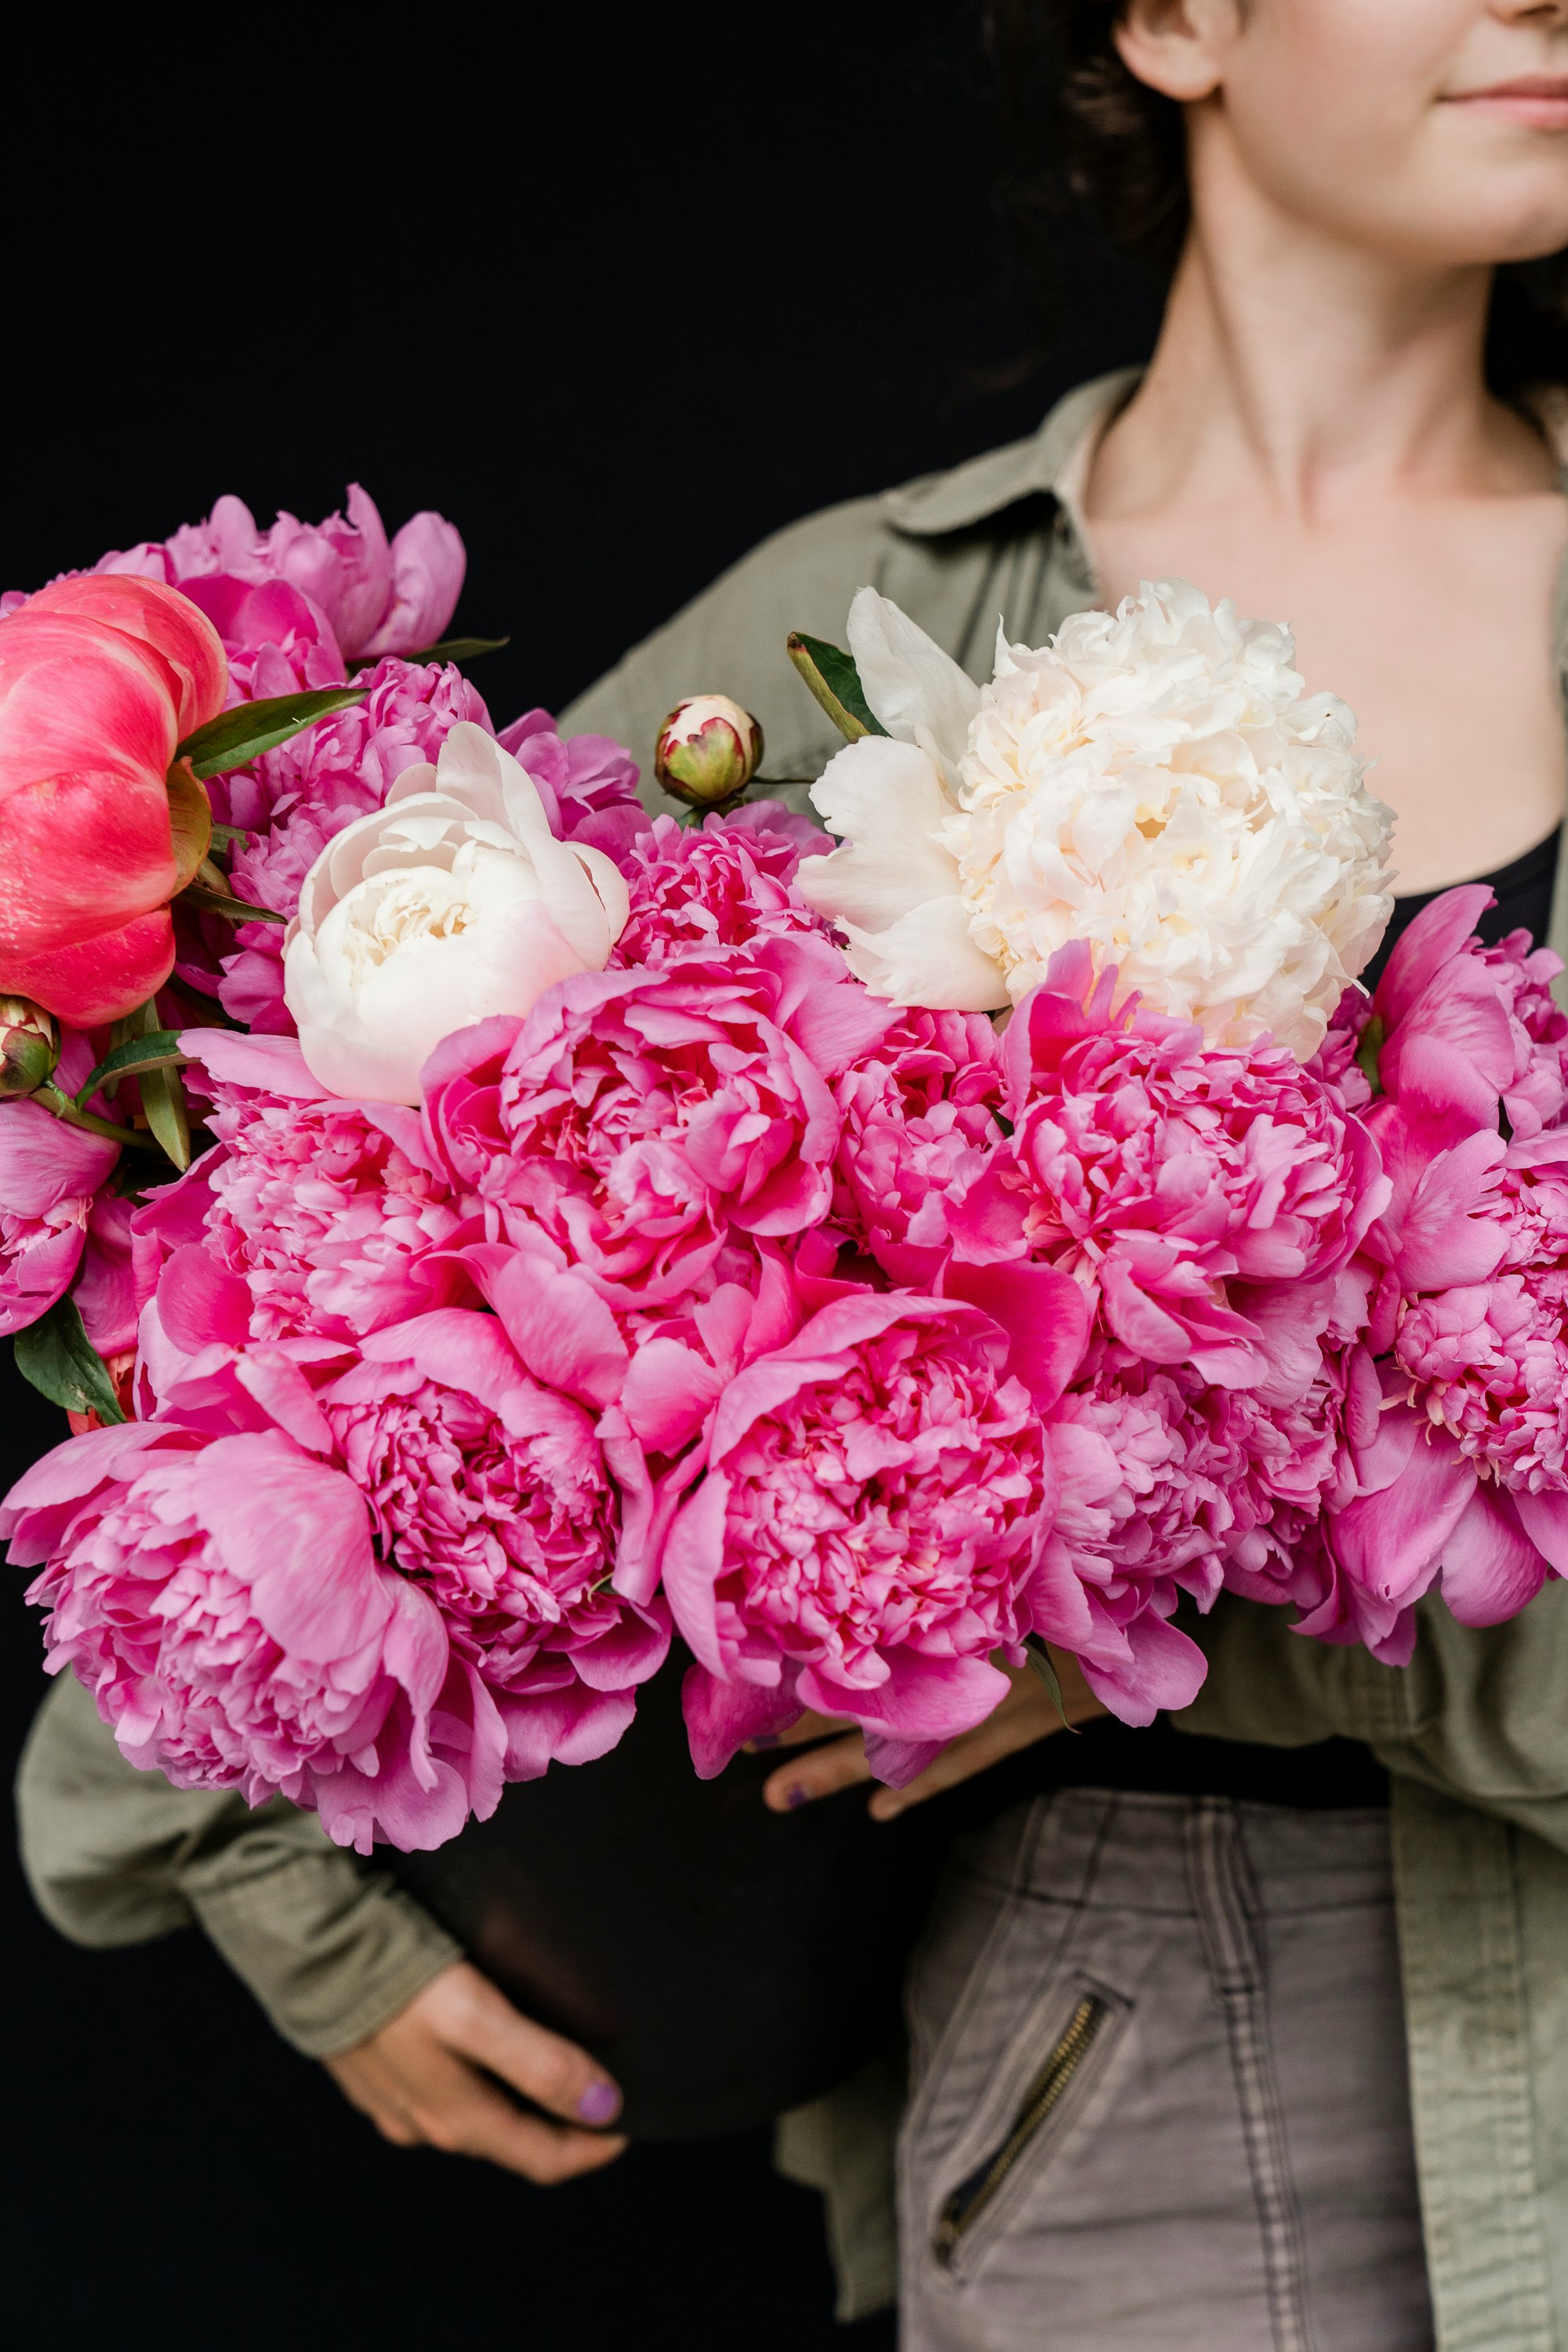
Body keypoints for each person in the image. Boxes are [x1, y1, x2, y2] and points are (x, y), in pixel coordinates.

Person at [16, 0, 1568, 2344]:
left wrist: (1195, 1623)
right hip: (1132, 2090)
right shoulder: (866, 624)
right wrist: (292, 1910)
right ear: (1175, 20)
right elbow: (338, 1279)